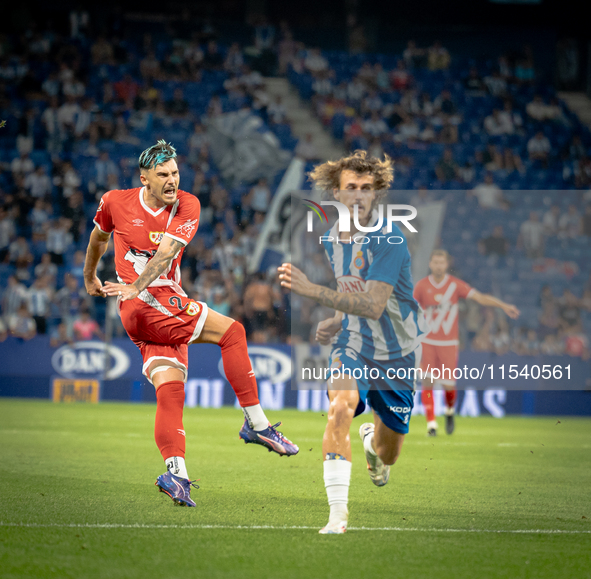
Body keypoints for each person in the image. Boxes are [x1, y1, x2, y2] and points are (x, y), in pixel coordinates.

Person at [85, 140, 298, 508]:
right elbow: (99, 237)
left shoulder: (187, 205)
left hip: (146, 307)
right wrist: (91, 276)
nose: (172, 181)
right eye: (163, 174)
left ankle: (176, 474)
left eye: (175, 173)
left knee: (170, 390)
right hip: (149, 303)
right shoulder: (116, 201)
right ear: (144, 178)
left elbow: (167, 249)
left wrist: (121, 283)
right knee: (233, 333)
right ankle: (257, 424)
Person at [278, 150, 427, 534]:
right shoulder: (333, 238)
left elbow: (375, 305)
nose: (358, 195)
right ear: (337, 194)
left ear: (376, 194)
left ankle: (373, 446)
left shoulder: (390, 240)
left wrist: (313, 292)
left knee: (388, 453)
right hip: (353, 345)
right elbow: (352, 289)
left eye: (366, 188)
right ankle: (337, 515)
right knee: (340, 408)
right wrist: (337, 320)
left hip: (398, 353)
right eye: (351, 188)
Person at [413, 250, 520, 436]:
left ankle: (449, 412)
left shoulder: (455, 285)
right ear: (430, 264)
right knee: (427, 382)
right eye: (435, 262)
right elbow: (409, 309)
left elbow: (479, 298)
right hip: (427, 341)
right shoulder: (421, 286)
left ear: (447, 264)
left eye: (441, 262)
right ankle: (431, 423)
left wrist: (503, 306)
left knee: (448, 385)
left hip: (448, 343)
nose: (438, 265)